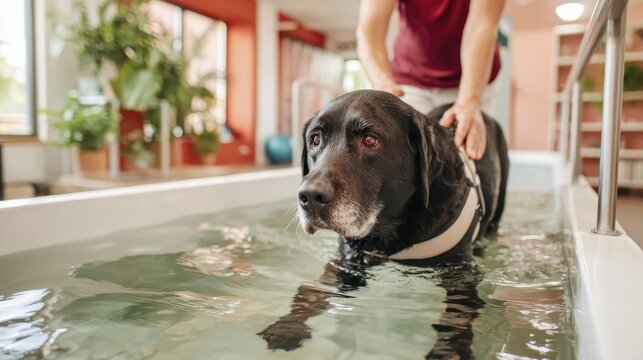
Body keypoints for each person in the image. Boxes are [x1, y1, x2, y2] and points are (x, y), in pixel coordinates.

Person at [356, 0, 506, 160]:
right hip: (409, 80)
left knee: (463, 158)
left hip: (469, 79)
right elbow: (370, 30)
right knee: (402, 154)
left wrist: (470, 101)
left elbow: (482, 25)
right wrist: (384, 84)